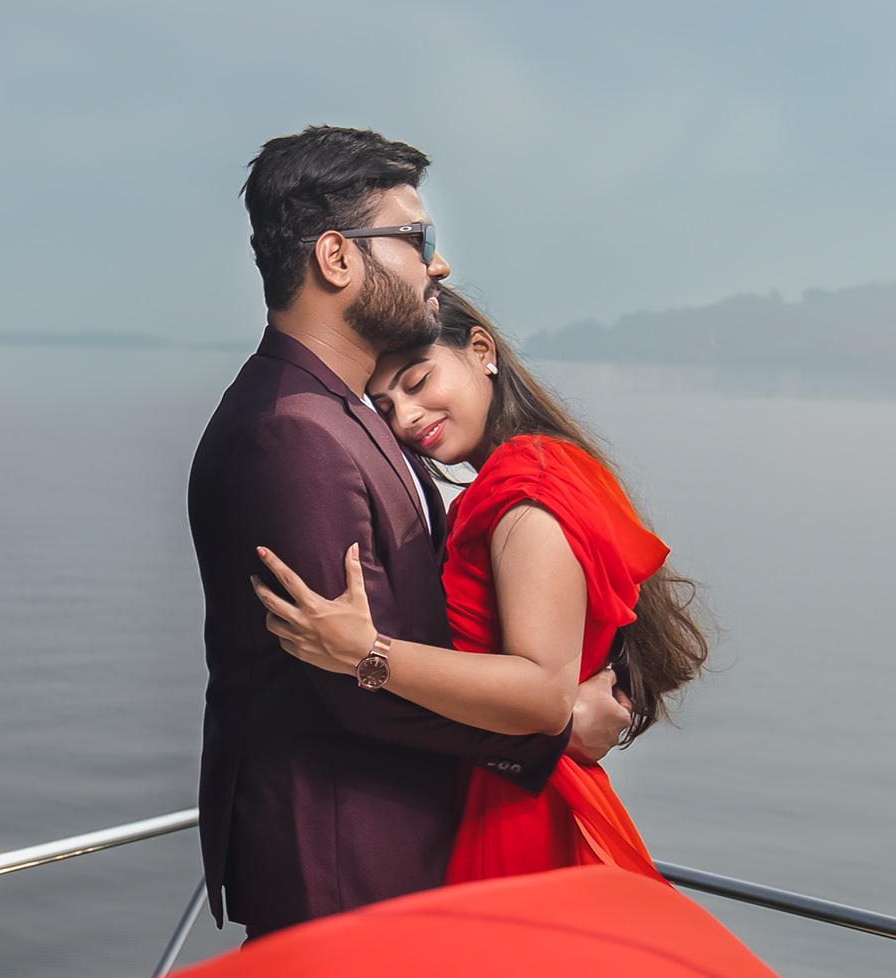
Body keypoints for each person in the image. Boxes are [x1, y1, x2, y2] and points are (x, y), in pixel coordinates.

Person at [187, 128, 629, 938]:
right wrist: (556, 729)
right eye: (417, 239)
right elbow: (348, 683)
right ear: (337, 258)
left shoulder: (349, 411)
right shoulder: (291, 433)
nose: (440, 265)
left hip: (401, 846)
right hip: (342, 858)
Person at [254, 287, 707, 883]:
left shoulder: (527, 494)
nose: (406, 418)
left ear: (481, 351)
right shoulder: (524, 478)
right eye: (384, 407)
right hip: (505, 794)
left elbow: (543, 693)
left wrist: (366, 652)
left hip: (519, 814)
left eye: (417, 383)